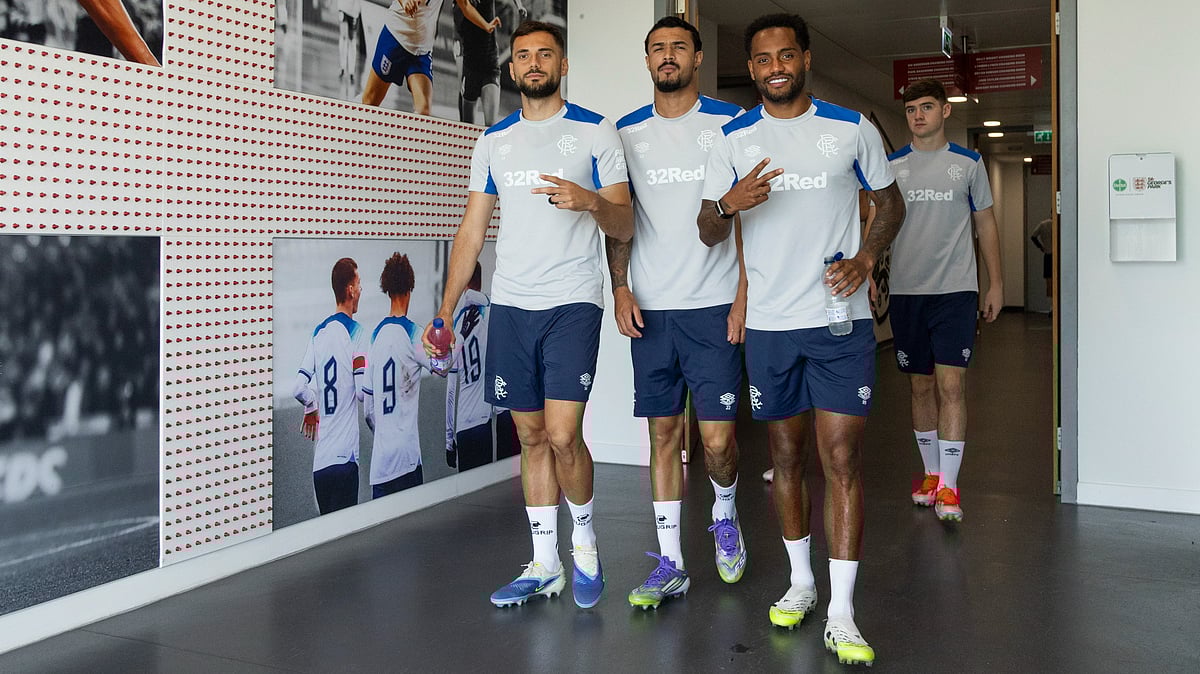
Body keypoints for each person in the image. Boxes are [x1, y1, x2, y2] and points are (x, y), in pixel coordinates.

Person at [697, 13, 905, 667]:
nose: (775, 66)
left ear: (806, 59)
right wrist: (730, 203)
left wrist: (869, 256)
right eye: (762, 58)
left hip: (837, 322)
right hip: (770, 327)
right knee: (786, 458)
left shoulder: (851, 128)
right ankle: (802, 583)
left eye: (787, 54)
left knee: (841, 457)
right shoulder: (730, 137)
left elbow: (892, 203)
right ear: (753, 68)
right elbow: (706, 228)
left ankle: (842, 613)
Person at [422, 20, 632, 609]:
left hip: (573, 300)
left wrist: (589, 200)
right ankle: (545, 564)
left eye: (545, 54)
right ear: (511, 70)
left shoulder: (596, 131)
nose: (534, 63)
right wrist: (444, 308)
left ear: (563, 66)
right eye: (523, 57)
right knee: (531, 434)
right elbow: (471, 229)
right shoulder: (493, 140)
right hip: (512, 304)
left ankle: (585, 549)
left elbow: (625, 223)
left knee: (565, 435)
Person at [611, 16, 747, 611]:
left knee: (716, 444)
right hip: (652, 311)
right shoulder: (626, 133)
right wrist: (619, 286)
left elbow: (751, 219)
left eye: (678, 48)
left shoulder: (731, 125)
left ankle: (725, 509)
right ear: (648, 62)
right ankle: (671, 563)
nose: (668, 57)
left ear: (697, 57)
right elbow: (619, 220)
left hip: (714, 306)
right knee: (662, 434)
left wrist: (745, 296)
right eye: (657, 49)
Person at [887, 78, 1002, 523]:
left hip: (956, 290)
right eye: (912, 108)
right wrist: (867, 268)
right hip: (906, 291)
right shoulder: (892, 165)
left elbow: (986, 225)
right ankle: (931, 474)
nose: (918, 115)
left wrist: (996, 284)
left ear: (945, 111)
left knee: (951, 385)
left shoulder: (969, 164)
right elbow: (879, 222)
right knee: (920, 386)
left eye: (927, 107)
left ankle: (951, 486)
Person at [293, 258, 367, 515]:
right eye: (359, 283)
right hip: (345, 460)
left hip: (321, 465)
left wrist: (311, 406)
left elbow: (299, 387)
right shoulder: (357, 333)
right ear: (349, 289)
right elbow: (360, 392)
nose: (361, 290)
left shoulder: (318, 333)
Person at [363, 252, 425, 497]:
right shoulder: (414, 333)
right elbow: (444, 367)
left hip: (381, 465)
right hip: (407, 459)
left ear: (386, 290)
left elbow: (368, 410)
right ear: (410, 288)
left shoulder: (375, 337)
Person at [445, 262, 500, 471]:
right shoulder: (490, 314)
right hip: (484, 420)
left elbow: (450, 390)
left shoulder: (457, 323)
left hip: (463, 424)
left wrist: (449, 440)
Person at [362, 0, 446, 114]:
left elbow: (465, 6)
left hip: (422, 50)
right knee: (369, 102)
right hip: (396, 38)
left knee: (423, 111)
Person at [453, 0, 527, 125]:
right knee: (467, 127)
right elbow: (465, 10)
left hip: (490, 63)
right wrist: (485, 25)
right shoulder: (461, 5)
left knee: (491, 127)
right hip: (469, 62)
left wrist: (519, 5)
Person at [337, 0, 364, 101]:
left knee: (352, 39)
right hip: (343, 7)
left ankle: (351, 71)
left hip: (354, 10)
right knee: (344, 37)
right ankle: (342, 67)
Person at [1031, 216, 1053, 297]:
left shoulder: (1043, 224)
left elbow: (1033, 237)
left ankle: (1051, 305)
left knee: (1049, 281)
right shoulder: (1058, 224)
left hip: (1047, 254)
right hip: (1057, 256)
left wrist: (1041, 246)